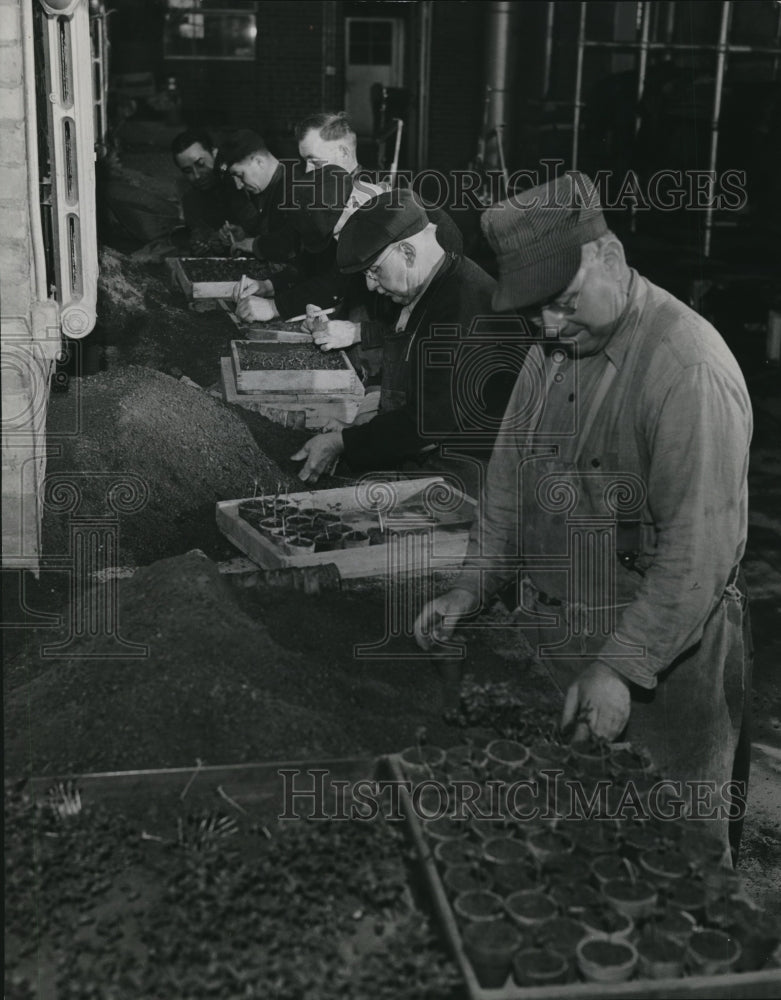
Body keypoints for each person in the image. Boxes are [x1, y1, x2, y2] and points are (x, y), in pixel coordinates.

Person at [414, 173, 753, 854]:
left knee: (672, 861)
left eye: (563, 303)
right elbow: (509, 482)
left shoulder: (685, 370)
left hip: (664, 658)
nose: (546, 325)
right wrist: (470, 584)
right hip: (559, 639)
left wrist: (621, 666)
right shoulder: (553, 349)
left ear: (608, 255)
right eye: (535, 309)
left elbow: (695, 555)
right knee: (580, 852)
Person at [290, 189, 512, 490]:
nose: (370, 286)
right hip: (433, 451)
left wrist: (343, 442)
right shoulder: (430, 287)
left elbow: (426, 427)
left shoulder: (463, 306)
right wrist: (358, 431)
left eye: (374, 270)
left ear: (407, 253)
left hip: (472, 471)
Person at [171, 129, 259, 256]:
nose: (197, 176)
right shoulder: (190, 200)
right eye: (187, 171)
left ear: (214, 153)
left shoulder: (242, 185)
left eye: (201, 164)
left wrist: (245, 237)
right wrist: (203, 246)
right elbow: (200, 238)